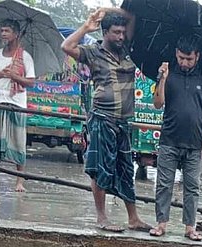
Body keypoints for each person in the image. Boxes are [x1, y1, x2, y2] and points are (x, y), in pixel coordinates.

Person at [62, 9, 151, 232]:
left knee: (125, 169)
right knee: (100, 167)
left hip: (124, 121)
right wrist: (86, 26)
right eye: (115, 33)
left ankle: (133, 217)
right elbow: (67, 47)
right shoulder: (93, 52)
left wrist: (112, 11)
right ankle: (101, 218)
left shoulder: (129, 50)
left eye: (122, 32)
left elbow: (132, 16)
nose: (120, 37)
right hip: (102, 117)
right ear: (105, 32)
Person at [150, 33, 202, 240]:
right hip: (169, 139)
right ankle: (161, 224)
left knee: (192, 186)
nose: (184, 62)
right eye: (181, 58)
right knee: (164, 184)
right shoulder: (169, 77)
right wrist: (162, 79)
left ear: (197, 57)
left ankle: (190, 227)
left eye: (189, 59)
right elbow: (158, 103)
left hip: (195, 143)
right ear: (176, 55)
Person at [0, 20, 36, 192]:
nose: (3, 34)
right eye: (2, 30)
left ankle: (19, 181)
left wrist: (15, 76)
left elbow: (31, 82)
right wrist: (1, 73)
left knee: (18, 142)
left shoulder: (25, 57)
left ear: (16, 34)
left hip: (17, 103)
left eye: (6, 31)